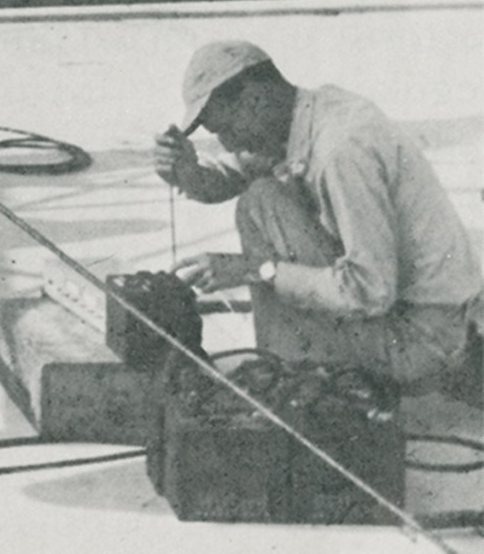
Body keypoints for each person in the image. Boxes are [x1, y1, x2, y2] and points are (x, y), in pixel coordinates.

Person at [157, 40, 482, 391]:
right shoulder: (307, 112)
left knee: (260, 205)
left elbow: (370, 290)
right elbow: (236, 172)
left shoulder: (340, 151)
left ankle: (293, 383)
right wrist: (187, 173)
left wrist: (256, 269)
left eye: (226, 130)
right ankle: (289, 367)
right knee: (261, 199)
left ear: (253, 100)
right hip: (417, 313)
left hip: (423, 339)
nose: (229, 145)